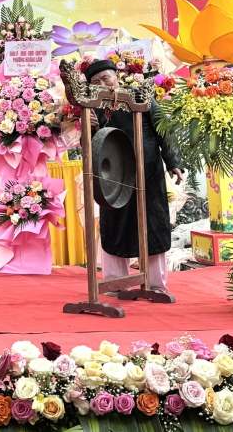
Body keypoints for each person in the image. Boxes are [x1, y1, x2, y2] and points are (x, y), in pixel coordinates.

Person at [85, 59, 184, 296]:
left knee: (153, 225)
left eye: (106, 78)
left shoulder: (140, 96)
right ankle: (115, 282)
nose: (103, 84)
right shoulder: (92, 107)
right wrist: (87, 128)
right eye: (96, 82)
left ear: (116, 76)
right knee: (115, 226)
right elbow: (89, 146)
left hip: (148, 172)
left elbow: (163, 129)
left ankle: (156, 285)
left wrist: (173, 163)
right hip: (114, 177)